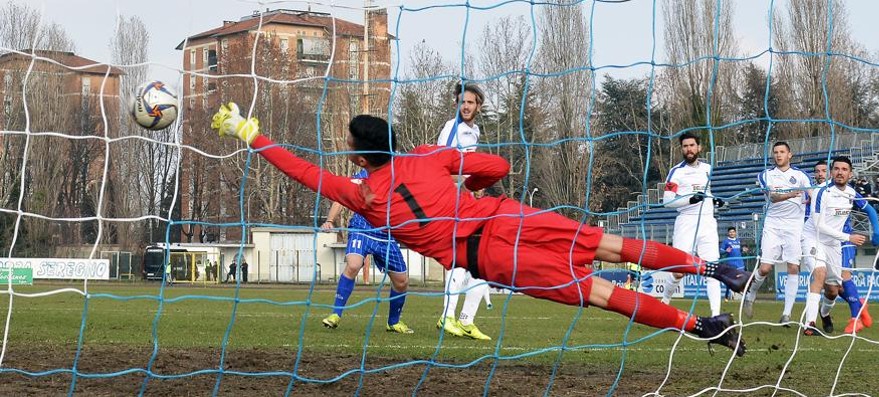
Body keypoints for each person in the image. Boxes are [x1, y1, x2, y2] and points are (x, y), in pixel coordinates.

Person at [209, 103, 753, 356]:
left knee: (599, 292)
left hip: (485, 255)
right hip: (504, 215)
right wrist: (452, 163)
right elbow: (497, 170)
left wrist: (249, 131)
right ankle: (716, 270)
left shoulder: (363, 194)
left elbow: (300, 170)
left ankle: (699, 327)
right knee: (611, 244)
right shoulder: (426, 158)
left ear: (356, 151)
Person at [434, 83, 494, 340]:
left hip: (468, 201)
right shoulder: (451, 129)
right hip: (451, 202)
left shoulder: (475, 131)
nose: (466, 106)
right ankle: (447, 316)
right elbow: (440, 165)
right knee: (465, 258)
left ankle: (466, 319)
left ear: (478, 105)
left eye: (470, 102)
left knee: (482, 261)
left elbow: (467, 168)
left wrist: (476, 188)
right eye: (462, 102)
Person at [320, 171, 413, 334]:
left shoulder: (400, 176)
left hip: (386, 234)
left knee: (402, 281)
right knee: (354, 265)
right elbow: (342, 196)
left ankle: (393, 322)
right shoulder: (364, 174)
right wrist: (330, 220)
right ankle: (335, 313)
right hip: (361, 229)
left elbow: (411, 203)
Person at [799, 156, 879, 335]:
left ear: (850, 174)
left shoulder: (851, 194)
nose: (840, 172)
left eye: (844, 169)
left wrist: (877, 231)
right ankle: (809, 323)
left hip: (833, 244)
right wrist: (848, 237)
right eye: (836, 169)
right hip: (813, 238)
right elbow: (819, 225)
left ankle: (824, 313)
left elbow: (870, 209)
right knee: (819, 274)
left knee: (833, 290)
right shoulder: (821, 191)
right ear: (831, 172)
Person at [743, 142, 812, 325]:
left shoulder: (801, 176)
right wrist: (791, 194)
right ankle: (751, 295)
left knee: (793, 267)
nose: (778, 155)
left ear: (790, 154)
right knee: (765, 268)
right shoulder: (766, 175)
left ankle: (786, 314)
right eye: (775, 152)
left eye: (782, 152)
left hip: (794, 227)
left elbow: (812, 194)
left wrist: (813, 200)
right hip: (773, 226)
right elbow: (772, 197)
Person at [659, 132, 726, 316]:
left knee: (712, 269)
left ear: (699, 147)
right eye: (685, 146)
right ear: (682, 149)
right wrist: (690, 200)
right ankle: (664, 302)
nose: (689, 149)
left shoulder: (707, 168)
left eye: (691, 145)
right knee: (680, 271)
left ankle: (716, 316)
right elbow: (667, 201)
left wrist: (715, 201)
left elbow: (707, 193)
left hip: (707, 223)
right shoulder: (676, 172)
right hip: (686, 224)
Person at [719, 227, 745, 301]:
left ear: (735, 233)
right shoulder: (726, 241)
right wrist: (726, 251)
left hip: (740, 263)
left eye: (733, 232)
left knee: (742, 278)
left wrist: (743, 250)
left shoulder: (738, 241)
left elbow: (740, 251)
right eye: (730, 232)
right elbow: (721, 252)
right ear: (728, 233)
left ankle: (742, 294)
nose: (732, 233)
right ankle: (727, 296)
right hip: (731, 263)